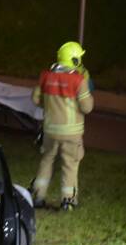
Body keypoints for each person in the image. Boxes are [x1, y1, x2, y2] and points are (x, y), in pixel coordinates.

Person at [31, 41, 94, 211]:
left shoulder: (45, 76)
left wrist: (50, 105)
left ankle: (38, 196)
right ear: (74, 61)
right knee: (70, 165)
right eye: (79, 58)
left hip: (50, 130)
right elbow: (87, 107)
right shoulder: (78, 80)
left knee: (46, 161)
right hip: (71, 133)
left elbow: (35, 99)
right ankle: (68, 200)